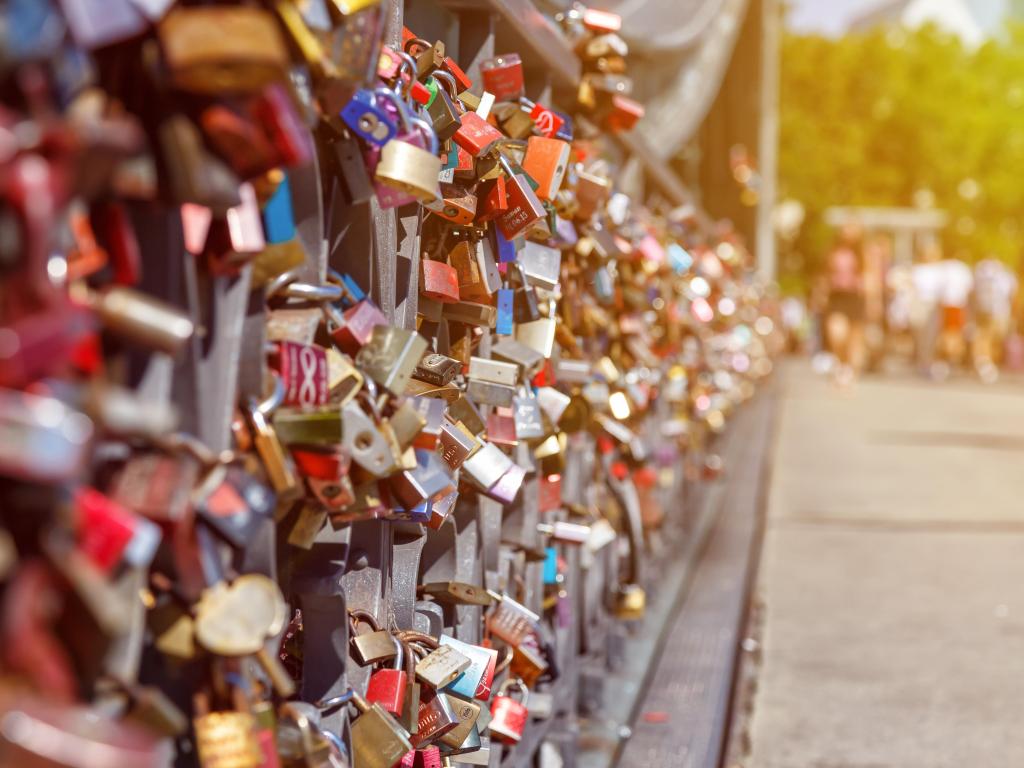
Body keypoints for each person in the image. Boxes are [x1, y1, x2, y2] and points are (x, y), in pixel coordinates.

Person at [823, 225, 865, 384]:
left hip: (855, 297)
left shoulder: (862, 254)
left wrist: (875, 303)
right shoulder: (833, 252)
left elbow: (870, 278)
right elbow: (825, 275)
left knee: (853, 339)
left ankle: (848, 368)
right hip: (837, 297)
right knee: (837, 334)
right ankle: (841, 363)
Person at [971, 258, 1017, 381]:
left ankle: (986, 362)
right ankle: (984, 362)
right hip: (988, 309)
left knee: (995, 337)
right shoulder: (989, 274)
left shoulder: (1004, 275)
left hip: (998, 310)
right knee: (985, 336)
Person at [910, 242, 944, 378]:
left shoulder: (940, 270)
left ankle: (928, 362)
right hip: (919, 304)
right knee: (919, 335)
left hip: (933, 304)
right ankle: (921, 361)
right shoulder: (917, 269)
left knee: (931, 336)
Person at [936, 254, 973, 372]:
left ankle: (949, 358)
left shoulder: (943, 267)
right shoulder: (962, 268)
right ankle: (950, 358)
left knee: (948, 333)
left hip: (947, 305)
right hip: (956, 304)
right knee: (953, 334)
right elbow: (969, 288)